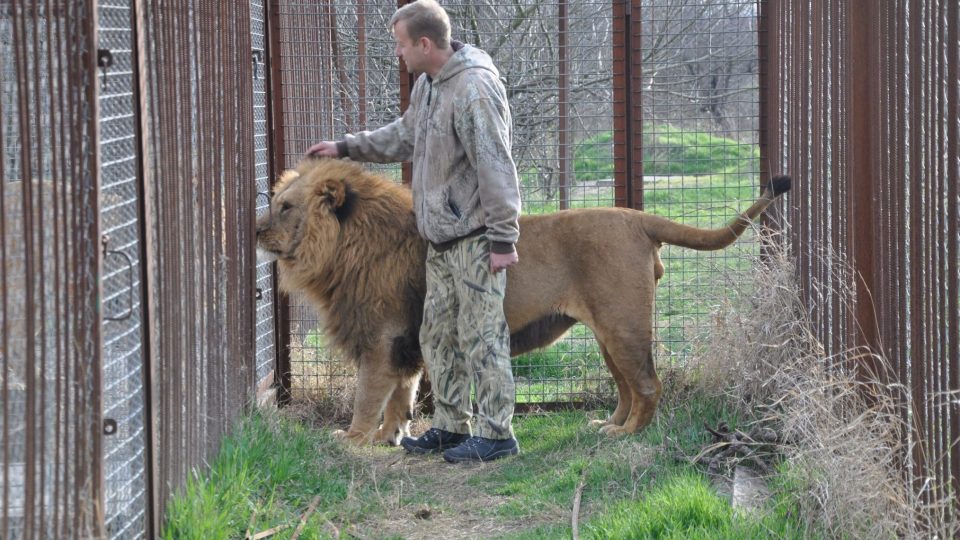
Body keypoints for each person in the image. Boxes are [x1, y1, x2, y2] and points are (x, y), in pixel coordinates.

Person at [306, 0, 521, 463]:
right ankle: (449, 425)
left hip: (476, 236)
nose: (398, 53)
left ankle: (497, 432)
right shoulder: (428, 86)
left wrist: (504, 239)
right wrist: (345, 147)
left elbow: (497, 168)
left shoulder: (474, 89)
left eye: (402, 45)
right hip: (439, 240)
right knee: (437, 337)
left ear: (425, 43)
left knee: (482, 336)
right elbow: (404, 135)